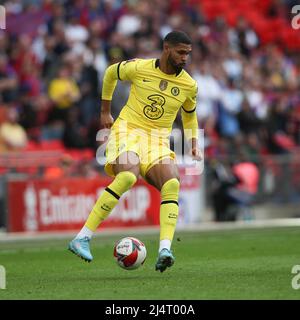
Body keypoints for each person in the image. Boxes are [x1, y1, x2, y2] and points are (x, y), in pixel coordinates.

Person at [68, 31, 201, 273]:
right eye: (181, 52)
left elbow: (189, 116)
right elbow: (110, 73)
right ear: (166, 48)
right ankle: (83, 237)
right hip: (127, 131)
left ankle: (165, 250)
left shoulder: (189, 85)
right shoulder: (139, 67)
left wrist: (193, 142)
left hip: (157, 141)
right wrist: (105, 111)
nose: (184, 58)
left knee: (172, 183)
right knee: (128, 176)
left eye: (188, 54)